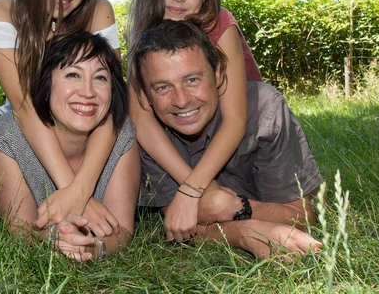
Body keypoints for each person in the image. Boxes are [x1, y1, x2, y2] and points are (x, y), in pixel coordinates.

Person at [130, 20, 323, 259]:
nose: (181, 100)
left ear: (218, 73)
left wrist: (235, 206)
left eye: (192, 80)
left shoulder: (265, 110)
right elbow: (182, 225)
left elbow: (304, 216)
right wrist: (244, 232)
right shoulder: (151, 136)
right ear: (145, 95)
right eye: (162, 88)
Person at [0, 0, 121, 233]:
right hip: (22, 144)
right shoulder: (0, 12)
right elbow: (25, 109)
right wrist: (78, 193)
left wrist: (80, 191)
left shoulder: (99, 11)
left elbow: (112, 103)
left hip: (84, 149)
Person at [0, 32, 139, 261]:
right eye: (73, 74)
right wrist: (57, 242)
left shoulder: (121, 133)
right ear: (46, 83)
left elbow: (122, 230)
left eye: (100, 78)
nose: (88, 92)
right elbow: (21, 233)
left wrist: (93, 248)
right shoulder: (8, 135)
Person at [127, 0, 262, 240]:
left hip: (237, 133)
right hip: (182, 135)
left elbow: (236, 120)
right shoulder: (145, 36)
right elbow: (141, 120)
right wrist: (196, 187)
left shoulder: (220, 24)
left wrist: (190, 191)